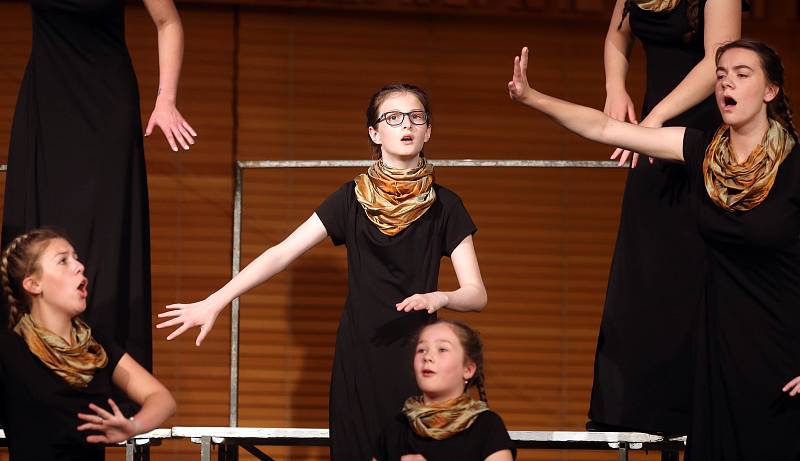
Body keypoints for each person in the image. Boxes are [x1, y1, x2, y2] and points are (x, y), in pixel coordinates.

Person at [157, 83, 487, 460]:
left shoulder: (447, 205)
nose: (406, 124)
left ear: (428, 130)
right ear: (375, 133)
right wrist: (216, 301)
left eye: (416, 117)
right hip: (357, 357)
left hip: (417, 357)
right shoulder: (350, 199)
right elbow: (281, 253)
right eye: (392, 118)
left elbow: (476, 293)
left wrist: (439, 296)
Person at [508, 40, 800, 460]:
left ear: (770, 90)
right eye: (720, 76)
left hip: (782, 359)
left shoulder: (794, 167)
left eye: (741, 74)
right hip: (716, 356)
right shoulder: (701, 151)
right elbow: (607, 129)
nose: (726, 84)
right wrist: (533, 97)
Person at [1, 0, 197, 380]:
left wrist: (166, 99)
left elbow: (167, 20)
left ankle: (103, 377)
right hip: (47, 100)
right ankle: (29, 375)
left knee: (104, 243)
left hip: (106, 103)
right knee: (34, 236)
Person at [591, 0, 742, 434]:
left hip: (705, 136)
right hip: (656, 138)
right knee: (645, 265)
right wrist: (615, 87)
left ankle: (699, 413)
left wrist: (655, 117)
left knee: (694, 269)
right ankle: (636, 412)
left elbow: (720, 59)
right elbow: (618, 35)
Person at [0, 229, 176, 461]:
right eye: (63, 260)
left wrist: (134, 426)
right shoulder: (10, 349)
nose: (79, 266)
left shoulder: (96, 347)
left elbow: (161, 398)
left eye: (76, 257)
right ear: (33, 285)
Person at [372, 319, 515, 461]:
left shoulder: (487, 426)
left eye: (442, 349)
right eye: (421, 350)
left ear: (468, 369)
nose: (427, 357)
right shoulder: (397, 427)